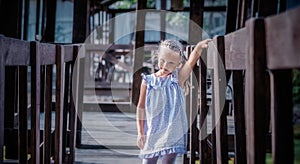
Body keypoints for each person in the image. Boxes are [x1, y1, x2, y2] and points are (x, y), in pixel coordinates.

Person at [136, 38, 212, 164]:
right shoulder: (148, 81)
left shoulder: (178, 78)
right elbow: (141, 107)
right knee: (148, 160)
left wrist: (198, 47)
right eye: (162, 61)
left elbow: (191, 62)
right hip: (153, 129)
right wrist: (140, 132)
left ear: (178, 64)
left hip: (172, 131)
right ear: (158, 57)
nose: (165, 66)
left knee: (169, 160)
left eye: (171, 63)